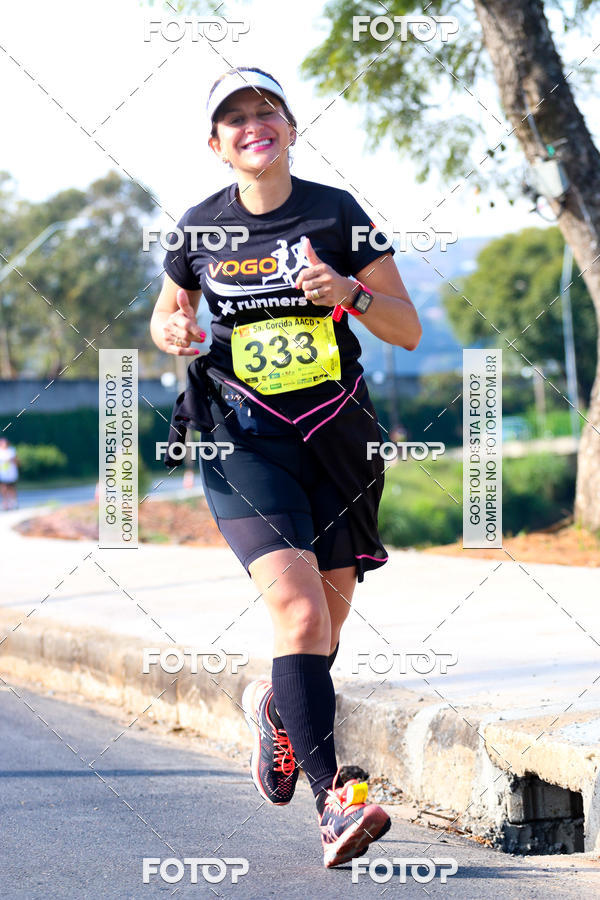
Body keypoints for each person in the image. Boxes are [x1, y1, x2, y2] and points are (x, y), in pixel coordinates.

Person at [150, 66, 422, 868]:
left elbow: (405, 328)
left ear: (292, 128)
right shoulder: (199, 229)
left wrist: (348, 293)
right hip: (242, 441)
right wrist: (172, 331)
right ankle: (336, 801)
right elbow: (172, 312)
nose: (251, 125)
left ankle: (278, 708)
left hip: (337, 438)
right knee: (299, 615)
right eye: (233, 119)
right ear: (216, 144)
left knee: (325, 627)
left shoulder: (338, 215)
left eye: (265, 111)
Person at [0, 438, 19, 510]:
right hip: (2, 474)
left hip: (11, 474)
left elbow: (17, 461)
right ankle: (5, 503)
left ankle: (14, 502)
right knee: (3, 488)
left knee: (11, 488)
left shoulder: (11, 451)